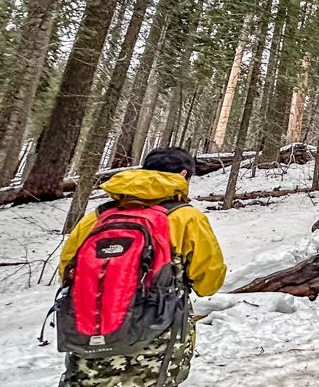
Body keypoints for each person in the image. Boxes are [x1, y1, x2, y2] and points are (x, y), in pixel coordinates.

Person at [56, 147, 226, 387]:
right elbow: (209, 281)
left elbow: (66, 271)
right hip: (156, 339)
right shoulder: (186, 217)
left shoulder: (98, 216)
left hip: (90, 335)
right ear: (184, 174)